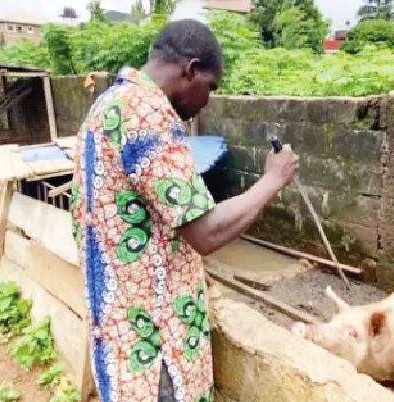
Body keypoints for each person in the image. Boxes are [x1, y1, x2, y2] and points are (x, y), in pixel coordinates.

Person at [71, 19, 299, 402]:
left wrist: (187, 271)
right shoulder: (150, 117)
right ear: (190, 70)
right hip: (156, 352)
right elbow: (204, 232)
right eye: (209, 87)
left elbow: (139, 218)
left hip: (117, 339)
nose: (207, 101)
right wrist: (272, 182)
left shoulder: (108, 105)